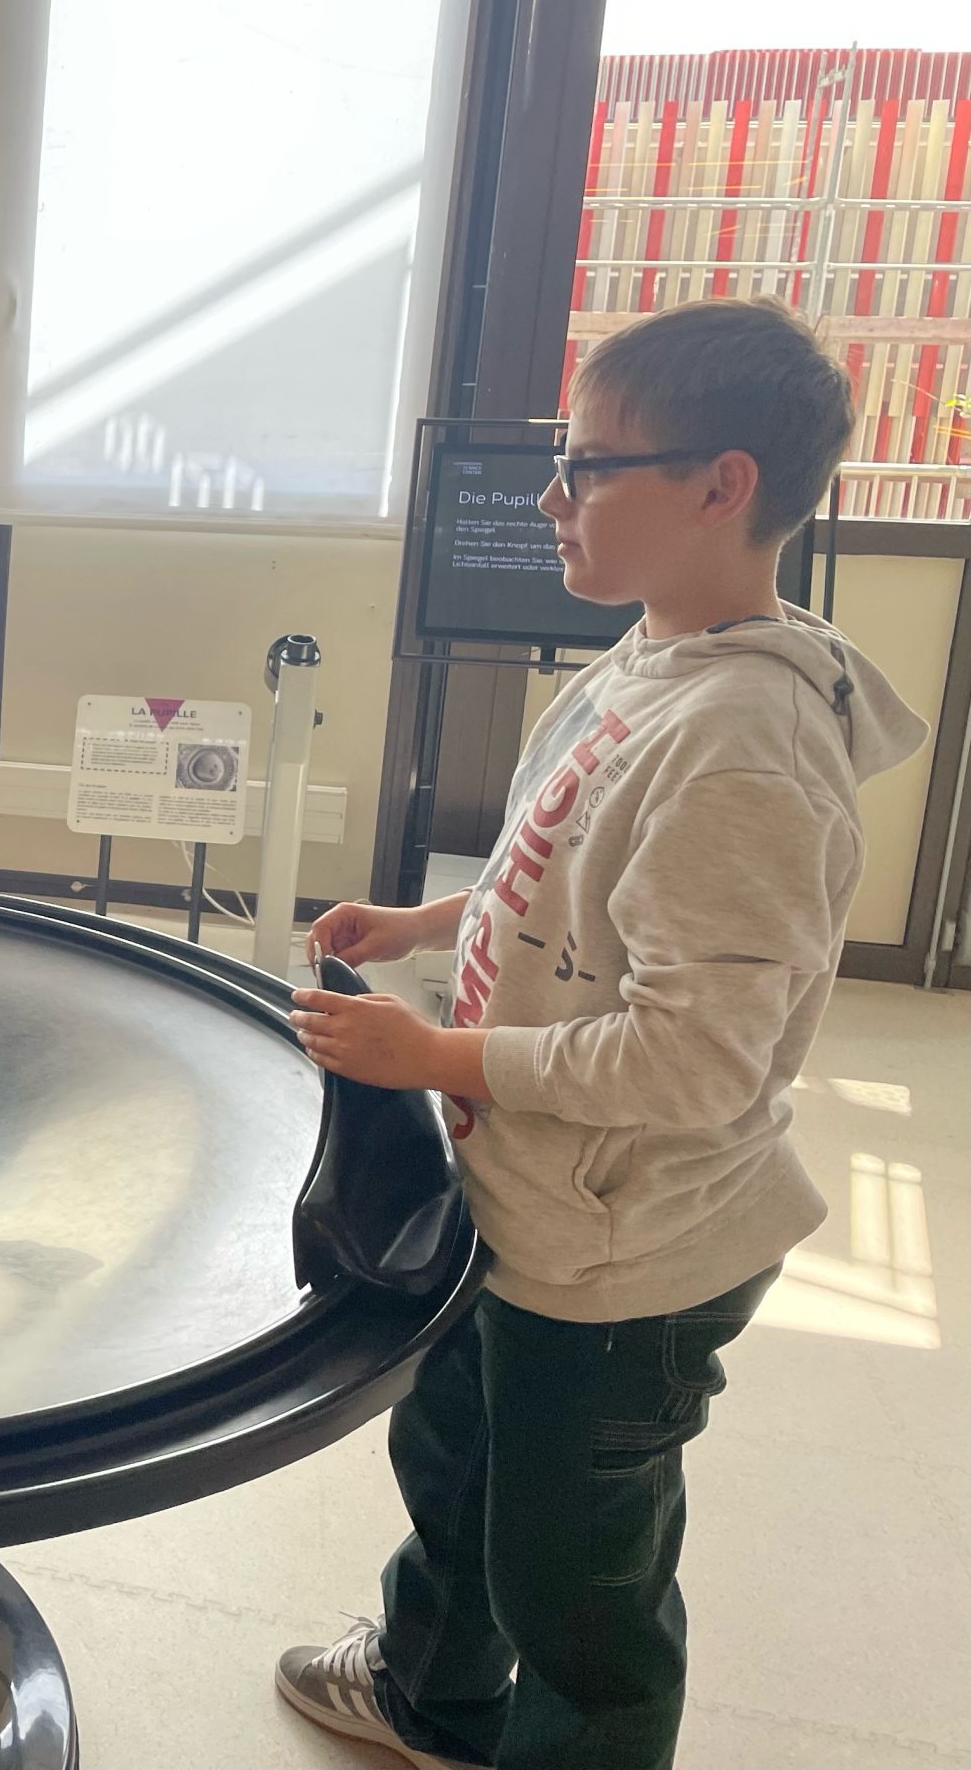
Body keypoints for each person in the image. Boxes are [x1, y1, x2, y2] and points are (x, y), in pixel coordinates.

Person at [271, 297, 928, 1770]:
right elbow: (566, 875)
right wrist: (428, 927)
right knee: (456, 1457)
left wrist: (436, 1059)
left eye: (590, 466)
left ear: (721, 485)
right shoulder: (650, 659)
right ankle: (432, 1700)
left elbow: (697, 1061)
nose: (550, 496)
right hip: (526, 1198)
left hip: (628, 1261)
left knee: (575, 1581)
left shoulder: (745, 747)